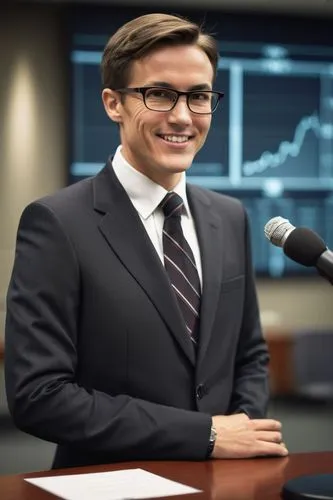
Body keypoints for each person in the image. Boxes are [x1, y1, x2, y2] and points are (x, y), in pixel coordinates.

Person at [4, 12, 288, 470]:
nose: (182, 116)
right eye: (158, 94)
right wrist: (208, 435)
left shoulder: (230, 216)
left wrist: (244, 431)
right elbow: (40, 395)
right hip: (109, 482)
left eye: (199, 97)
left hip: (226, 481)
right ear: (113, 103)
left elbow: (249, 354)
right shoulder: (57, 223)